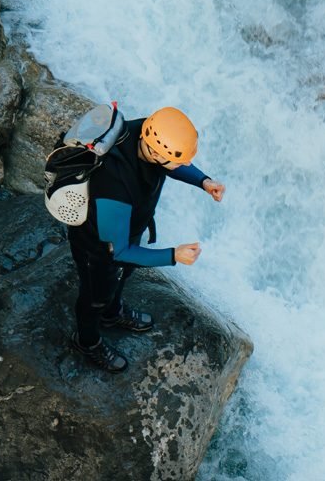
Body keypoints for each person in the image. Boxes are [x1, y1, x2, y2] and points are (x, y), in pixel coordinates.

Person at [66, 106, 225, 372]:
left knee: (123, 275)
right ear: (153, 151)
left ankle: (112, 313)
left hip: (128, 227)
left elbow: (172, 162)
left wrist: (203, 181)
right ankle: (87, 340)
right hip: (98, 245)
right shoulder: (113, 183)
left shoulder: (144, 131)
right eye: (177, 160)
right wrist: (173, 255)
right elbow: (118, 251)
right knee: (95, 294)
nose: (183, 164)